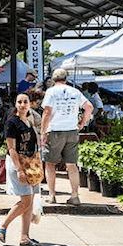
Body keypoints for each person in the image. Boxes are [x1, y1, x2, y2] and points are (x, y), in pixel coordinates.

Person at [40, 68, 93, 205]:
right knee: (72, 165)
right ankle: (75, 196)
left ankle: (52, 195)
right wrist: (82, 122)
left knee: (50, 164)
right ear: (66, 79)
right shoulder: (75, 91)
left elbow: (47, 112)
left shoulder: (51, 92)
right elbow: (89, 107)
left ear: (53, 79)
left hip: (55, 131)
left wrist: (43, 132)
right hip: (72, 130)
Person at [0, 93, 43, 246]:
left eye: (25, 102)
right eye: (20, 102)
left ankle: (25, 236)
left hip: (31, 164)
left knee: (29, 201)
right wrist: (19, 169)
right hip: (18, 163)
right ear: (15, 104)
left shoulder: (29, 121)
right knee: (26, 200)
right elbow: (11, 148)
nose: (23, 105)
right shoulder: (12, 123)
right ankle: (3, 225)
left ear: (30, 104)